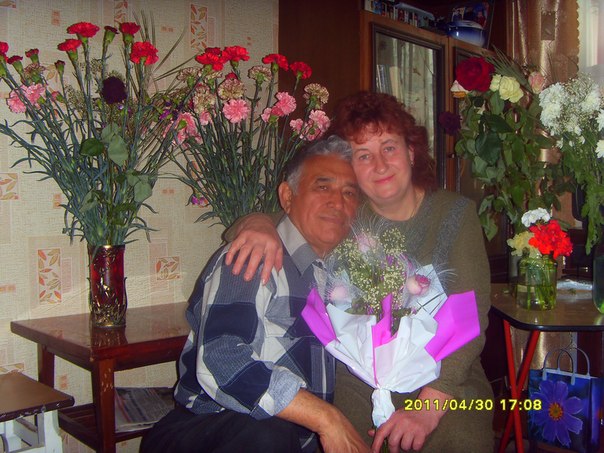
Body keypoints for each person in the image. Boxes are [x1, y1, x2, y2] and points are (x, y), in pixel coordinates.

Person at [224, 91, 494, 453]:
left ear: (411, 152)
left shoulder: (455, 214)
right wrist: (258, 224)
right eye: (363, 155)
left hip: (444, 380)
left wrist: (428, 407)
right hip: (360, 382)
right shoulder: (345, 217)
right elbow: (273, 220)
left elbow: (471, 316)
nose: (379, 165)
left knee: (461, 441)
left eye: (389, 148)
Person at [140, 136, 369, 453]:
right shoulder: (255, 256)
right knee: (267, 432)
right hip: (216, 432)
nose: (338, 202)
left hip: (297, 442)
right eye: (323, 187)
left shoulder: (343, 276)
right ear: (287, 196)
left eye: (349, 193)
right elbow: (222, 359)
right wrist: (327, 419)